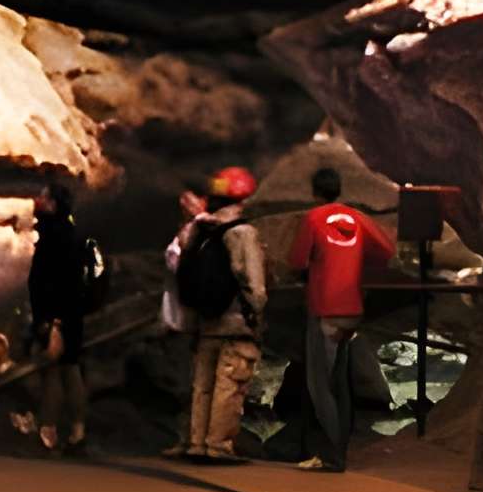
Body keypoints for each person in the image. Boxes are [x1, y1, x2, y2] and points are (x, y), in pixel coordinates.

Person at [286, 165, 397, 472]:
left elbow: (296, 259)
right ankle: (341, 451)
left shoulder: (313, 218)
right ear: (338, 190)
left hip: (325, 308)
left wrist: (314, 268)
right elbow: (387, 249)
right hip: (352, 310)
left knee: (320, 385)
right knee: (340, 383)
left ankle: (331, 456)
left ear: (315, 192)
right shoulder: (357, 218)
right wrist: (358, 265)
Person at [167, 165, 267, 462]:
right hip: (235, 321)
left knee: (204, 384)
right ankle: (218, 445)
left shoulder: (201, 231)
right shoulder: (242, 233)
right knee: (230, 383)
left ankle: (197, 441)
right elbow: (253, 283)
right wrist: (257, 315)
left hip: (206, 320)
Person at [24, 176, 100, 457]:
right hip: (72, 316)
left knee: (54, 372)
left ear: (53, 204)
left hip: (57, 317)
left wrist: (52, 323)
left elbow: (55, 283)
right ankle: (77, 432)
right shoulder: (72, 233)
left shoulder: (55, 238)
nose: (37, 201)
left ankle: (48, 433)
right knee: (70, 369)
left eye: (43, 197)